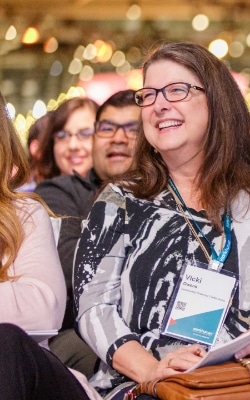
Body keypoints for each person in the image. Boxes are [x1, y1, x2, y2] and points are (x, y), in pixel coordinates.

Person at [73, 42, 250, 399]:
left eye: (177, 90)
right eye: (149, 94)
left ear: (217, 102)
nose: (159, 104)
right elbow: (94, 308)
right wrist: (153, 370)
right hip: (153, 385)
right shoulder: (119, 201)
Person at [0, 91, 100, 399]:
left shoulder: (23, 214)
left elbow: (43, 308)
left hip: (27, 376)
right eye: (65, 134)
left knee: (6, 341)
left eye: (86, 133)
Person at [35, 89, 140, 378]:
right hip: (82, 334)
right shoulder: (61, 192)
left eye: (132, 128)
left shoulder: (170, 198)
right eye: (107, 127)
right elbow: (75, 266)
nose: (118, 137)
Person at [35, 97, 98, 181]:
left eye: (85, 134)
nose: (73, 145)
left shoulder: (117, 191)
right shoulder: (44, 192)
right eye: (62, 135)